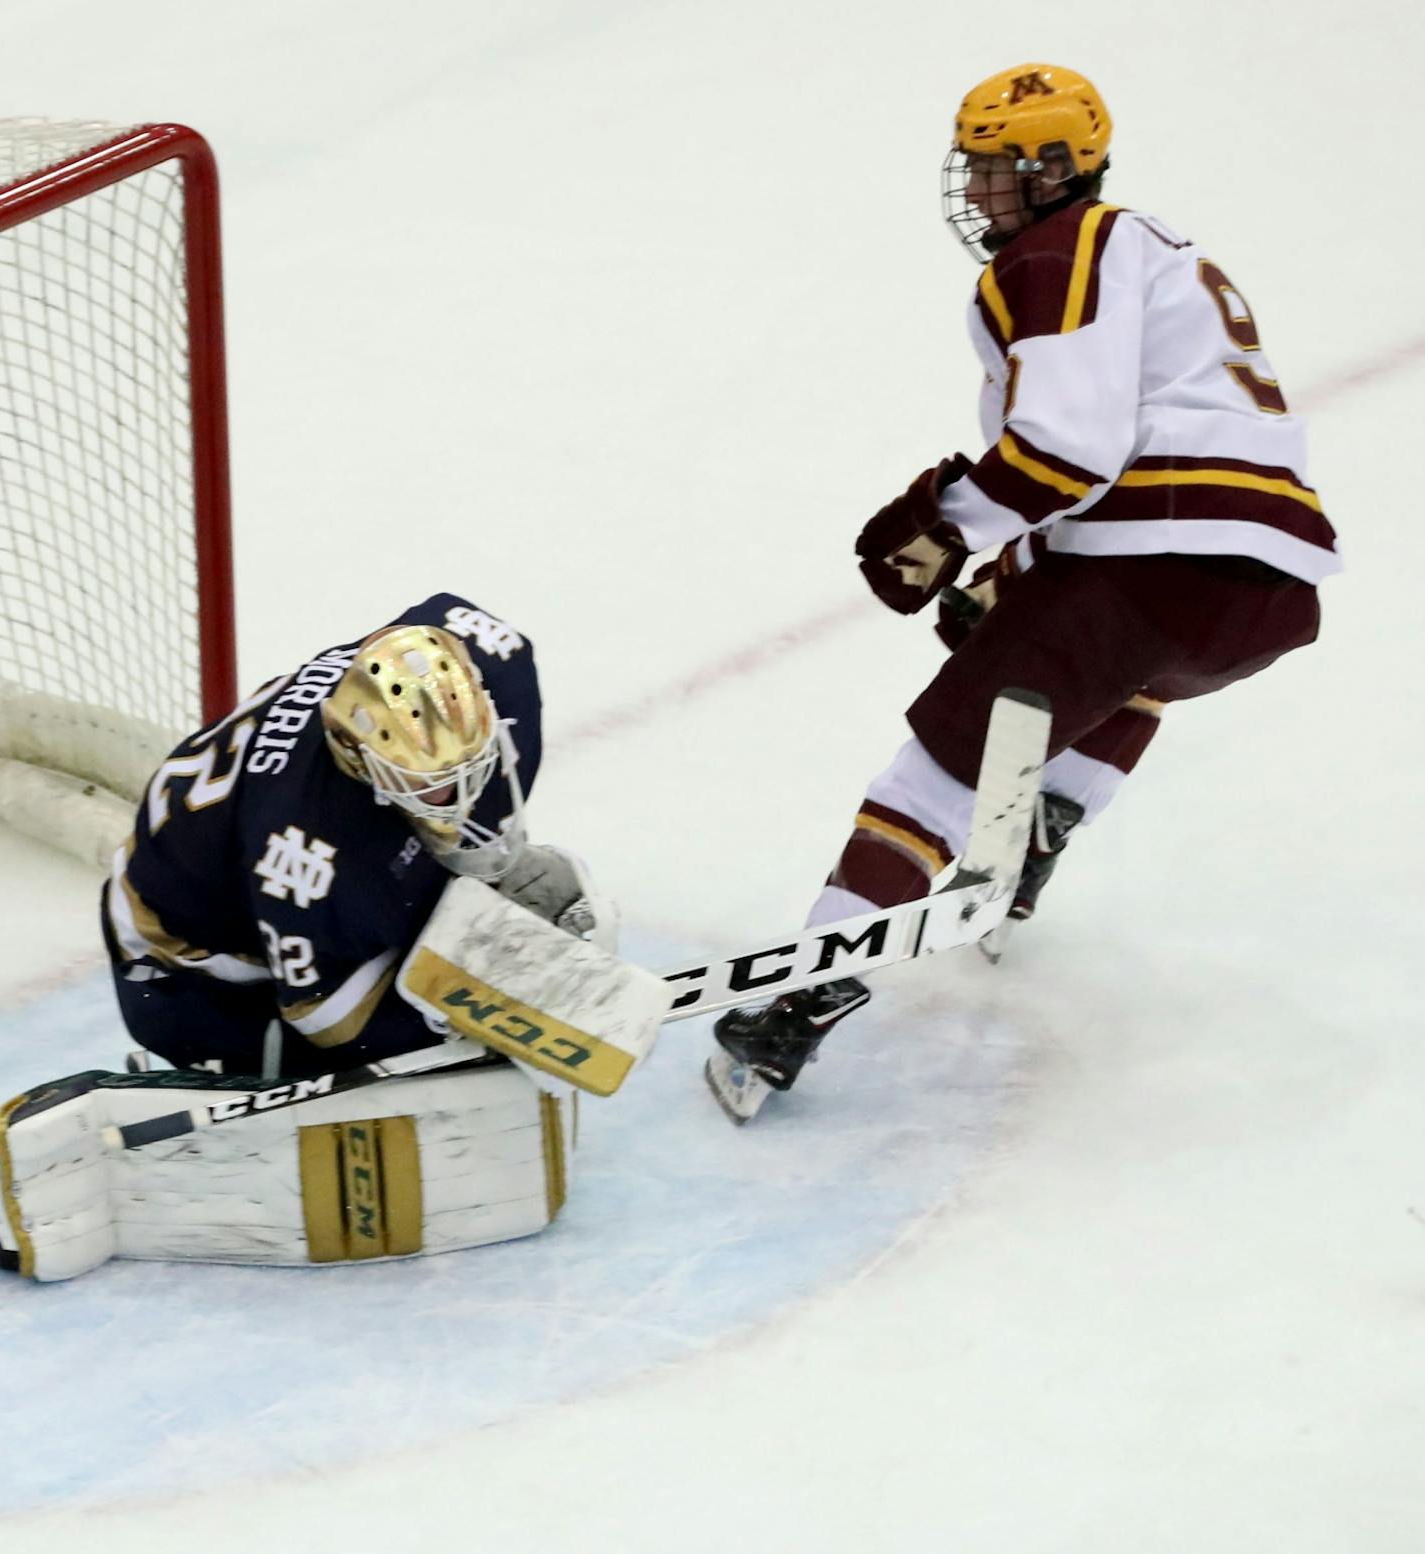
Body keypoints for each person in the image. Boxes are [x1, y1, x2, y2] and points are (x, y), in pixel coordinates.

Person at [714, 63, 1338, 1096]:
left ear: (1051, 170)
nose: (974, 188)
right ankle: (1045, 824)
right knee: (1128, 675)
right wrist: (1017, 572)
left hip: (1155, 561)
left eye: (992, 167)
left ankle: (801, 1001)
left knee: (931, 779)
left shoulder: (1055, 251)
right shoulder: (1158, 251)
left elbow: (1066, 448)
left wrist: (949, 528)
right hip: (1269, 592)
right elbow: (1131, 456)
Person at [103, 592, 600, 1080]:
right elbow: (325, 1017)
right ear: (364, 764)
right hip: (187, 964)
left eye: (470, 765)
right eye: (425, 784)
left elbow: (440, 625)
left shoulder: (497, 670)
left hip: (273, 849)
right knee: (383, 1069)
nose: (457, 796)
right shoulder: (306, 854)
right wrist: (451, 1020)